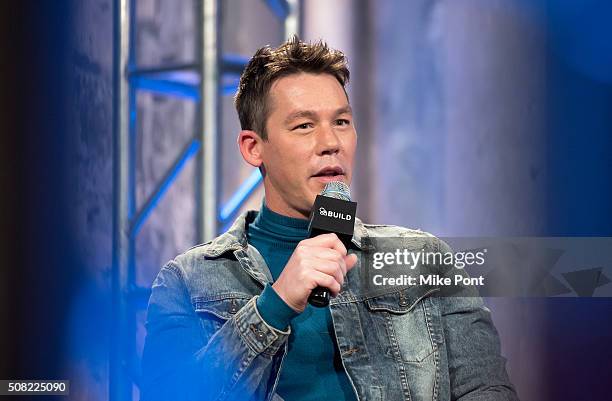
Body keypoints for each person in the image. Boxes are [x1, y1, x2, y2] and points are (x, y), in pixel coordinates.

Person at [141, 36, 519, 401]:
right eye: (304, 125)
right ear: (254, 148)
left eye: (341, 122)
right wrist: (275, 305)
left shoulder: (424, 258)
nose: (331, 143)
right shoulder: (187, 281)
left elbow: (486, 390)